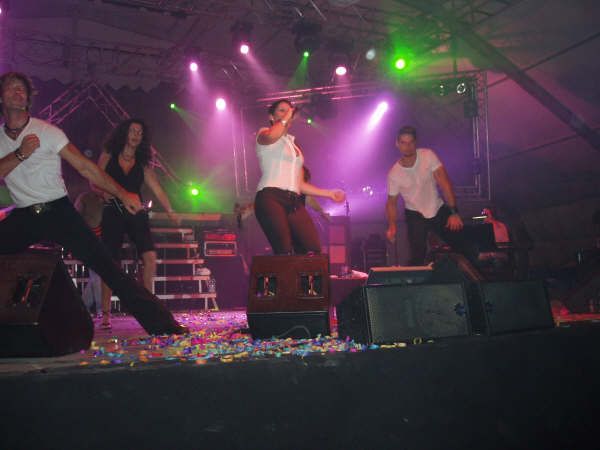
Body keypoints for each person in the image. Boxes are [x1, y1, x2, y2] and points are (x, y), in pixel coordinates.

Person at [0, 71, 186, 336]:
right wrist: (20, 153)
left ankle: (164, 325)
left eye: (22, 89)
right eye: (11, 87)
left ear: (29, 98)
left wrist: (123, 194)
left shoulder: (47, 132)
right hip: (25, 215)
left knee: (108, 266)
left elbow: (87, 168)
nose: (18, 92)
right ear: (1, 97)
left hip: (58, 210)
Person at [96, 118, 179, 328]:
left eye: (140, 133)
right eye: (133, 131)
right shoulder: (109, 155)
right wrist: (104, 193)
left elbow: (157, 189)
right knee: (110, 261)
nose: (136, 135)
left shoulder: (142, 164)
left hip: (136, 211)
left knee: (150, 256)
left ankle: (149, 307)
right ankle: (105, 313)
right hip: (113, 210)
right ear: (124, 133)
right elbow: (94, 179)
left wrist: (170, 211)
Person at [254, 99, 345, 255]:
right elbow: (272, 135)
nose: (287, 113)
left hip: (294, 201)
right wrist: (286, 117)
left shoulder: (293, 145)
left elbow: (300, 184)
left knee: (312, 248)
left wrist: (329, 193)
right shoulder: (264, 133)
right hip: (270, 197)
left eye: (289, 110)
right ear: (271, 117)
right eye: (282, 110)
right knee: (284, 249)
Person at [385, 125, 471, 266]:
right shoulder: (394, 173)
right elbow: (391, 203)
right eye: (403, 143)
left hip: (437, 208)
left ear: (415, 142)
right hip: (414, 213)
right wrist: (392, 226)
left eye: (410, 142)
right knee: (417, 255)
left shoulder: (428, 155)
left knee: (462, 244)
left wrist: (454, 212)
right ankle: (417, 278)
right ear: (397, 144)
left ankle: (472, 274)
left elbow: (444, 183)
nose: (407, 147)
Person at [74, 190, 104, 320]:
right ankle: (100, 309)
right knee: (96, 275)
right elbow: (75, 218)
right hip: (89, 240)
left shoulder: (108, 197)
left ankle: (82, 307)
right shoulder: (84, 197)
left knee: (96, 276)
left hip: (103, 241)